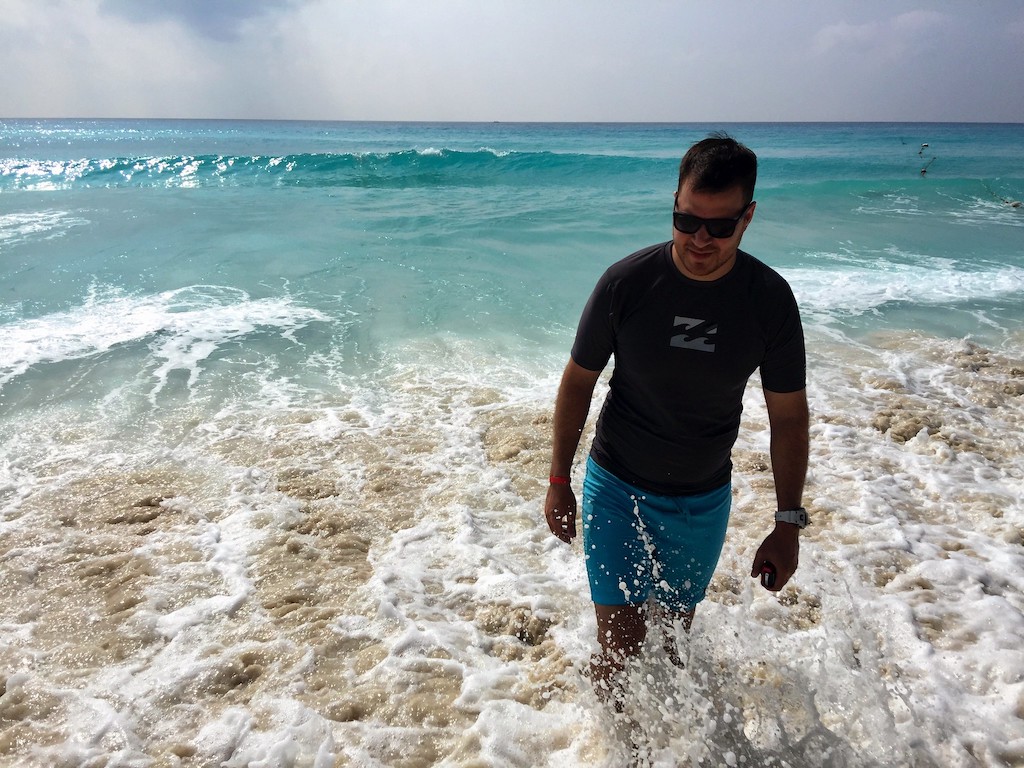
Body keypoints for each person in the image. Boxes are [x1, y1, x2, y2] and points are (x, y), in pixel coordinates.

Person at [543, 135, 809, 702]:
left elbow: (788, 417)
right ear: (674, 203)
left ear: (749, 217)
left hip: (701, 501)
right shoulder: (627, 283)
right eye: (687, 221)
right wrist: (559, 481)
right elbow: (577, 381)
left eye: (720, 226)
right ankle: (617, 749)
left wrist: (787, 524)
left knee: (670, 647)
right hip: (616, 486)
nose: (700, 240)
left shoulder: (769, 301)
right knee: (620, 645)